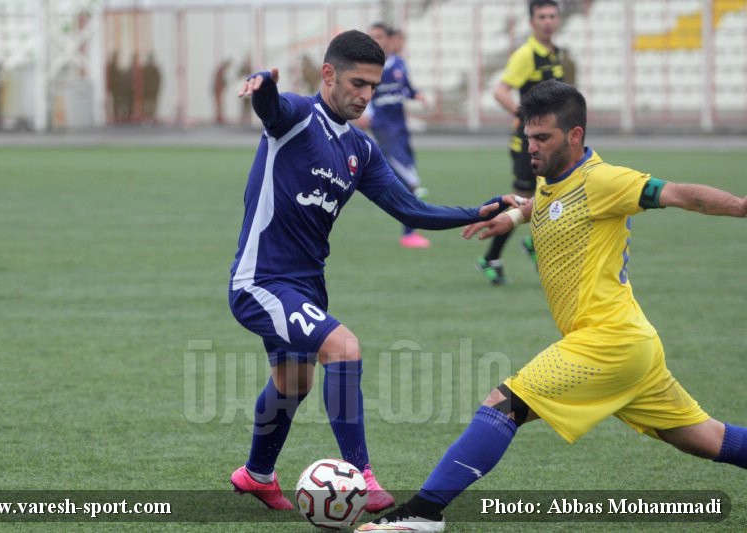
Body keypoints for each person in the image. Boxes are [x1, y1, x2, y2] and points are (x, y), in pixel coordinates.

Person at [357, 80, 747, 531]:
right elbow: (546, 202)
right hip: (632, 345)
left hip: (607, 341)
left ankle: (422, 514)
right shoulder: (553, 178)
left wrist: (740, 206)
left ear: (575, 135)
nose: (531, 147)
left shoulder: (603, 180)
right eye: (528, 137)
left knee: (505, 404)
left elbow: (680, 194)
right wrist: (513, 216)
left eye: (542, 138)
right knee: (704, 438)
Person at [228, 30, 510, 515]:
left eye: (373, 87)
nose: (366, 95)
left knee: (294, 383)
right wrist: (264, 86)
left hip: (306, 286)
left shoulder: (361, 148)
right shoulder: (296, 116)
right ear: (329, 74)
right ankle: (361, 474)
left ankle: (256, 475)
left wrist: (477, 212)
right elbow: (271, 108)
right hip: (261, 281)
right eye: (357, 83)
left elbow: (410, 209)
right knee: (344, 348)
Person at [479, 0, 564, 285]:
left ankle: (534, 244)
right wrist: (525, 116)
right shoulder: (527, 54)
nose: (548, 21)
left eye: (552, 16)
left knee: (552, 196)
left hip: (551, 144)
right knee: (521, 202)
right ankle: (491, 258)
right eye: (542, 16)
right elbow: (500, 91)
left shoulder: (554, 53)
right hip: (528, 145)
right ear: (532, 22)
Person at [357, 23, 431, 249]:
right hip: (384, 132)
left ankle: (409, 228)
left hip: (401, 131)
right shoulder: (369, 68)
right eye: (372, 36)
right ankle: (409, 233)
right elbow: (362, 94)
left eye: (379, 36)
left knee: (407, 179)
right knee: (411, 181)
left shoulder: (399, 64)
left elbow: (406, 89)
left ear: (389, 39)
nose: (376, 40)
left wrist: (418, 96)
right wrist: (363, 114)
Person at [142, 52, 161, 123]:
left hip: (153, 92)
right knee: (147, 105)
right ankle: (147, 119)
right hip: (147, 92)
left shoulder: (155, 69)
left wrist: (156, 89)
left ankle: (151, 119)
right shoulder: (145, 69)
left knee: (152, 105)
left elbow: (158, 80)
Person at [213, 58, 231, 124]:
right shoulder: (221, 71)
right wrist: (224, 84)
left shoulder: (221, 70)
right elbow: (219, 81)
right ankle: (219, 117)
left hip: (218, 89)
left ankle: (219, 117)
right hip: (218, 89)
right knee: (219, 104)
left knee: (219, 104)